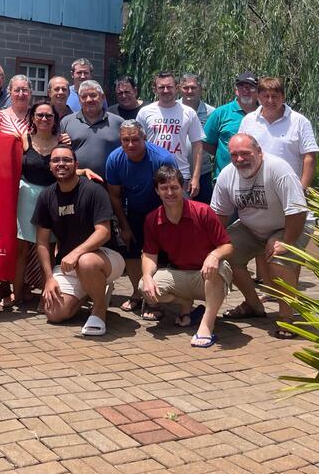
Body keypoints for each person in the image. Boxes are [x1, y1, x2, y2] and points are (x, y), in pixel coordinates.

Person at [212, 134, 310, 338]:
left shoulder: (278, 169)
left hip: (291, 224)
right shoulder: (227, 175)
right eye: (234, 155)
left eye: (245, 153)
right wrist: (214, 247)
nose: (240, 159)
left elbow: (297, 210)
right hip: (252, 227)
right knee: (226, 255)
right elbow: (219, 215)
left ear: (259, 152)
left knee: (278, 258)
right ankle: (253, 304)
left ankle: (287, 316)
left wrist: (286, 241)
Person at [33, 147, 125, 336]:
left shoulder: (94, 190)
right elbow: (42, 242)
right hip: (69, 265)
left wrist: (76, 252)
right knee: (54, 313)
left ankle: (99, 311)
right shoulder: (46, 196)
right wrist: (49, 279)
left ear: (76, 165)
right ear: (50, 166)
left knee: (86, 261)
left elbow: (104, 232)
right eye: (56, 160)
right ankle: (91, 291)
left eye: (66, 160)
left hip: (105, 258)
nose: (61, 164)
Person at [140, 164, 234, 348]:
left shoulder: (203, 211)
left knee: (217, 266)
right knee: (145, 286)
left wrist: (215, 255)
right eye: (164, 188)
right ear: (156, 191)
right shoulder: (153, 219)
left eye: (174, 187)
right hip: (181, 275)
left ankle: (207, 326)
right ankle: (185, 303)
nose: (170, 193)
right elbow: (150, 255)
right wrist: (146, 276)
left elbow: (228, 246)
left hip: (208, 275)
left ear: (182, 187)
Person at [105, 121, 177, 316]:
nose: (130, 145)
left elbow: (172, 193)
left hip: (162, 209)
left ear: (144, 138)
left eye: (135, 139)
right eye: (125, 140)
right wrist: (124, 225)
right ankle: (138, 293)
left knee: (157, 255)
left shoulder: (162, 159)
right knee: (131, 252)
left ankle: (156, 298)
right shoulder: (115, 159)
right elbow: (115, 196)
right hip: (134, 210)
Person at [13, 101, 63, 307]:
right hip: (26, 196)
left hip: (52, 197)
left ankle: (47, 296)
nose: (44, 119)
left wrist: (84, 171)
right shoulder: (22, 139)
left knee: (49, 249)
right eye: (40, 115)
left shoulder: (62, 142)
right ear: (32, 117)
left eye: (48, 116)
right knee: (22, 249)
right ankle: (16, 294)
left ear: (54, 120)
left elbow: (68, 168)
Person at [238, 77, 318, 190]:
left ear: (283, 97)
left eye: (275, 96)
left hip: (289, 188)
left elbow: (309, 157)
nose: (270, 100)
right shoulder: (248, 120)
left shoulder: (300, 121)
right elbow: (240, 152)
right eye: (266, 96)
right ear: (258, 96)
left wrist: (302, 189)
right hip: (255, 189)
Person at [136, 71, 204, 198]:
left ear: (177, 88)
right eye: (161, 87)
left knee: (181, 215)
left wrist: (195, 178)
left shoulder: (189, 112)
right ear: (155, 89)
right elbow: (138, 144)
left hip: (180, 174)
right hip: (151, 174)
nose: (165, 90)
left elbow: (198, 145)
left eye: (169, 86)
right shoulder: (144, 112)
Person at [59, 81, 123, 178]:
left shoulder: (118, 122)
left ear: (102, 97)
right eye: (84, 97)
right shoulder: (66, 122)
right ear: (79, 100)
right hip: (75, 182)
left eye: (93, 95)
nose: (89, 100)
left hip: (109, 184)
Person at [203, 72, 259, 178]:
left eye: (250, 87)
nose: (246, 90)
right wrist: (225, 152)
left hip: (258, 177)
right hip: (225, 177)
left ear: (257, 91)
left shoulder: (264, 114)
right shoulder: (221, 113)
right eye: (242, 87)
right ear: (236, 90)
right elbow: (206, 142)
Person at [179, 73, 216, 203]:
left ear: (200, 89)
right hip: (176, 172)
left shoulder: (212, 113)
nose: (190, 91)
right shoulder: (173, 108)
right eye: (186, 87)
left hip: (202, 173)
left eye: (193, 87)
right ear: (179, 88)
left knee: (202, 213)